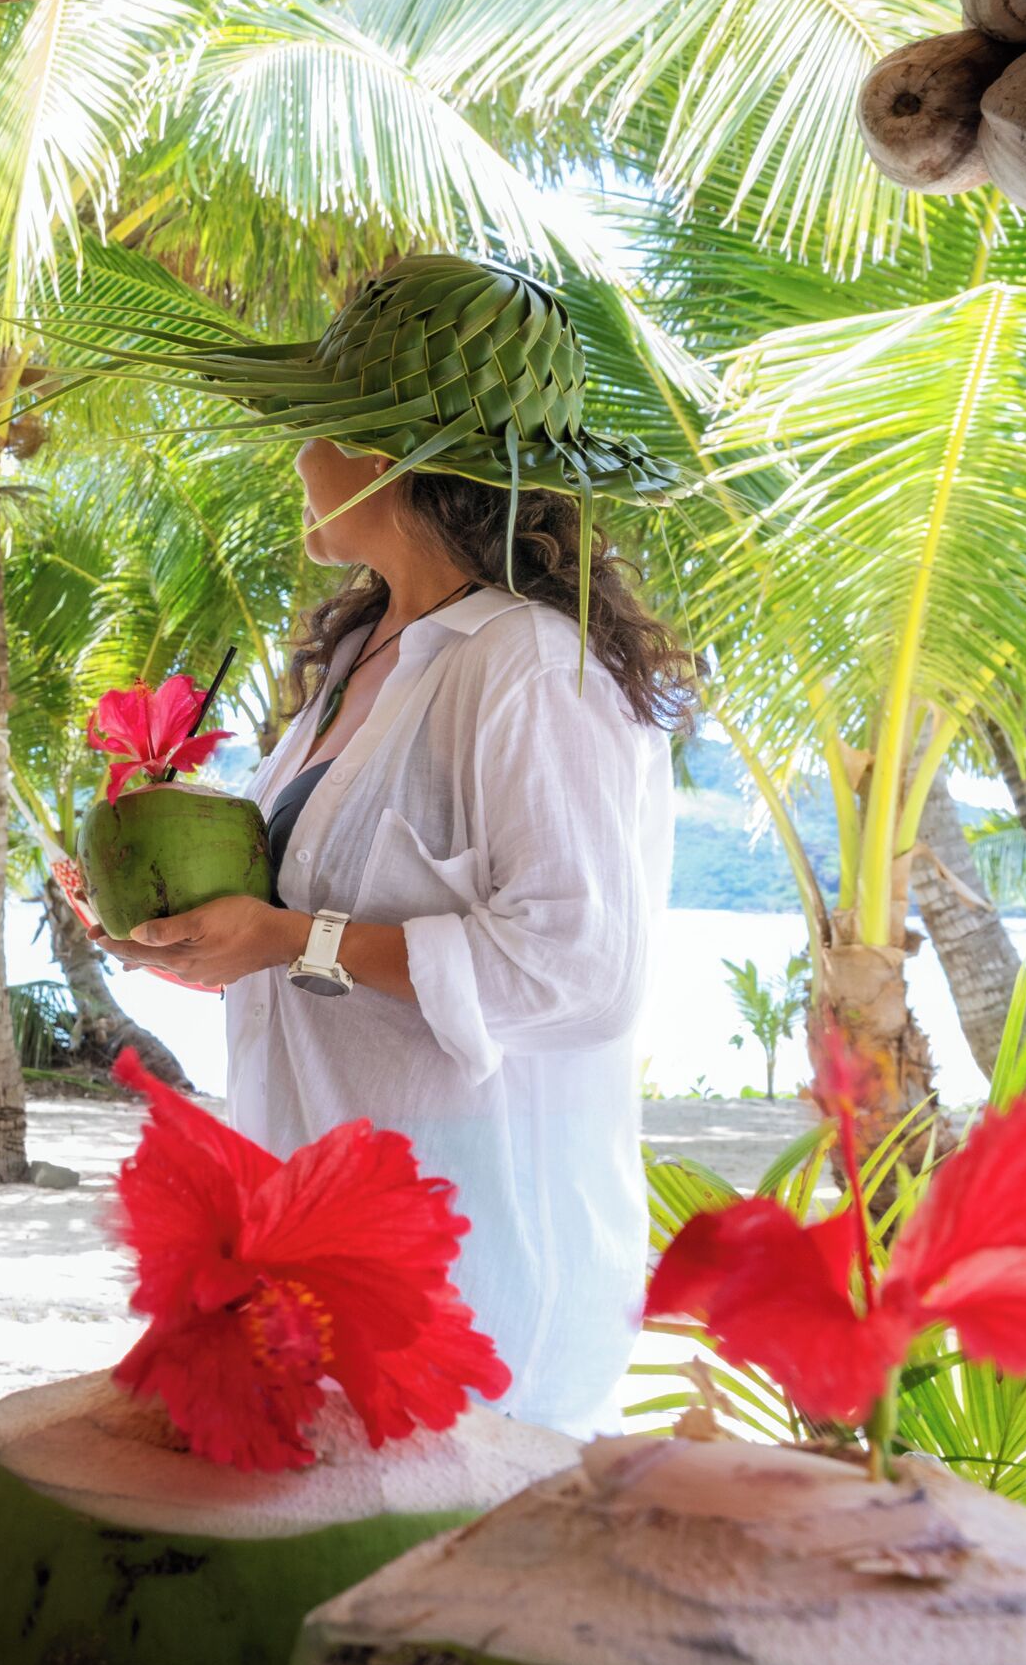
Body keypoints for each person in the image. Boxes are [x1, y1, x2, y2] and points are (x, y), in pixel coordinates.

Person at [96, 258, 695, 1429]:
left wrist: (286, 940)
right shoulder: (374, 644)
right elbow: (300, 933)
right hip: (317, 1217)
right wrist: (193, 929)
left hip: (469, 1258)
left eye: (314, 429)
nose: (298, 458)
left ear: (392, 454)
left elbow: (578, 973)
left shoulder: (525, 666)